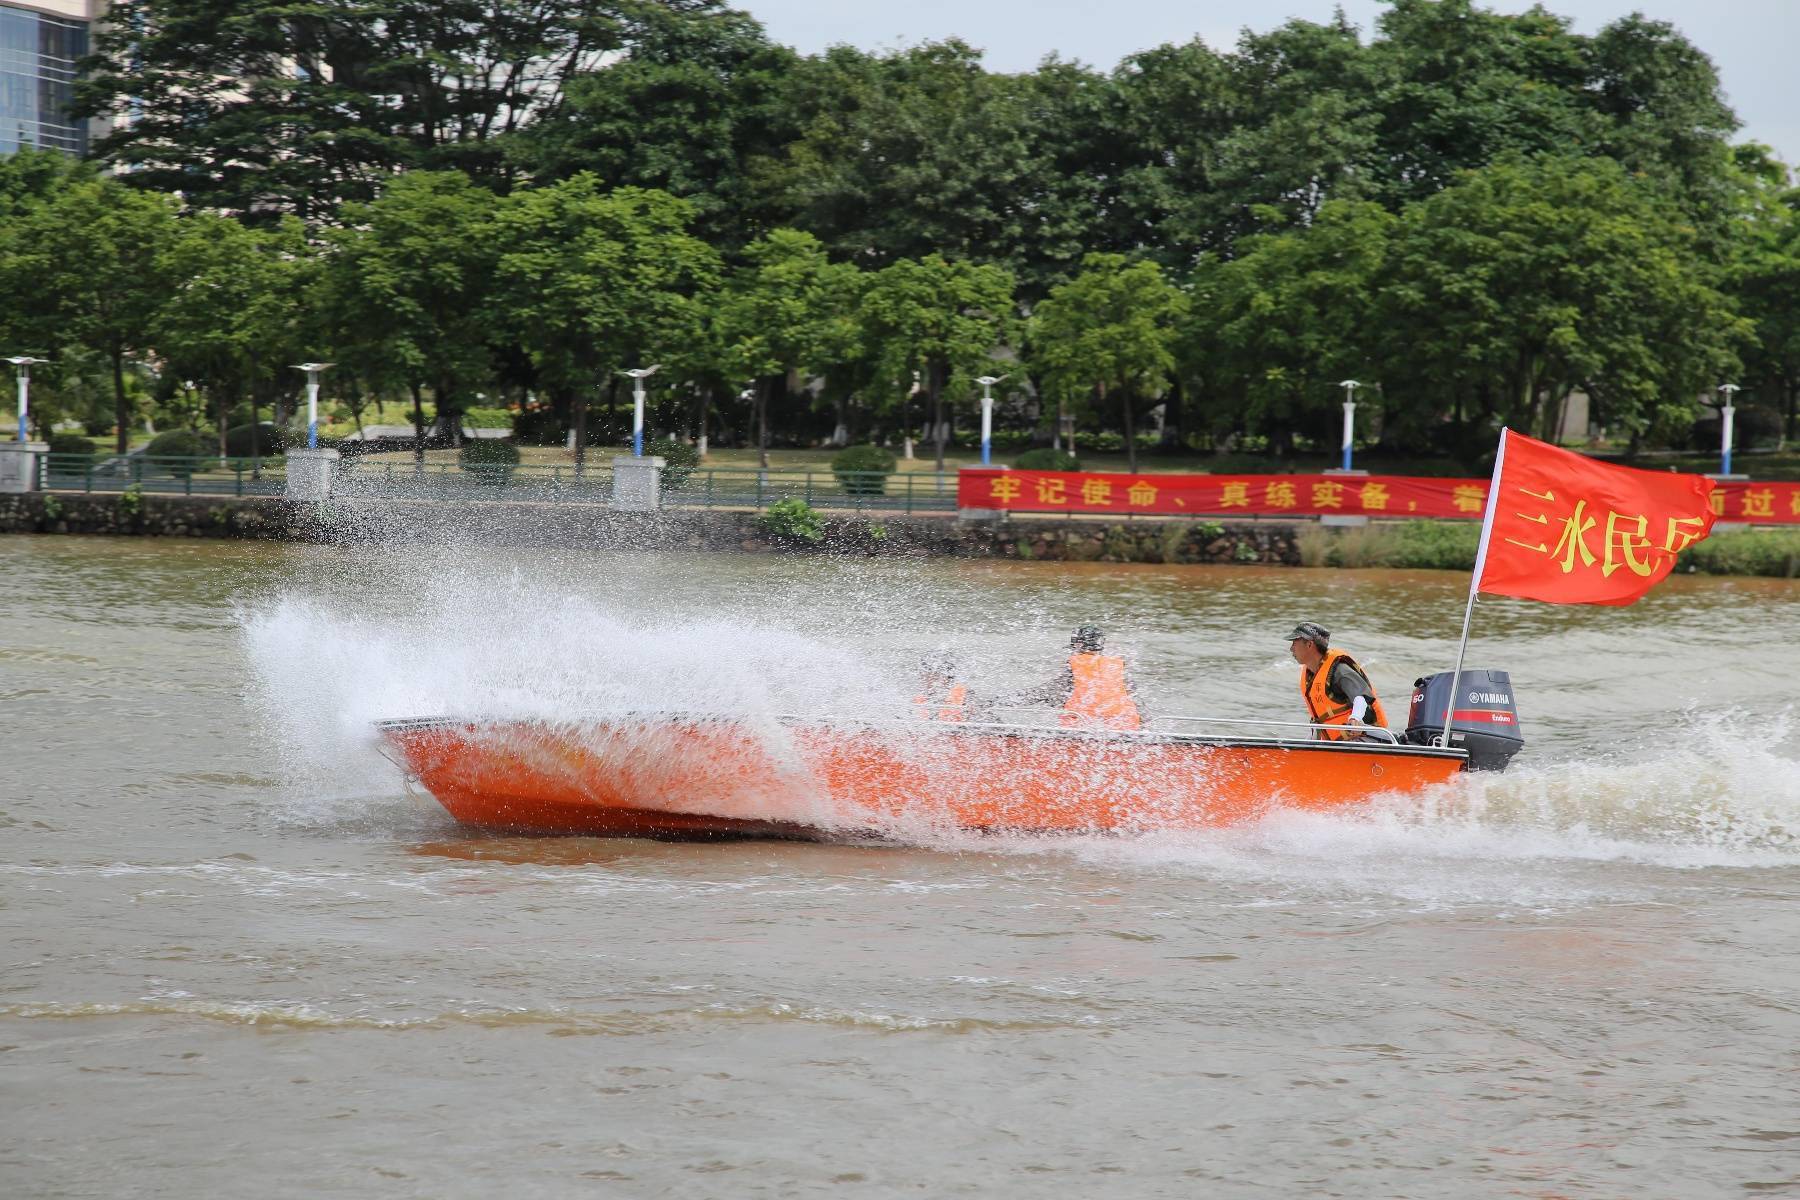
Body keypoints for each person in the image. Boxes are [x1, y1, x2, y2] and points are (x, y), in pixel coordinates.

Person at [1017, 626, 1142, 731]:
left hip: (1083, 732)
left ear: (1078, 645)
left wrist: (1002, 701)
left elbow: (1040, 694)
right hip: (1128, 733)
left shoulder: (1075, 669)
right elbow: (1140, 708)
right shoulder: (1118, 668)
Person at [1286, 621, 1388, 740]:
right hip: (1339, 745)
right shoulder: (1311, 674)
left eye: (1294, 643)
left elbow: (1361, 697)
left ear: (1309, 645)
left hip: (1370, 739)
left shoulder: (1339, 669)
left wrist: (1355, 718)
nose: (1291, 648)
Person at [913, 651, 970, 722]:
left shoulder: (966, 696)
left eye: (935, 675)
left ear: (948, 677)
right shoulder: (917, 699)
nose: (928, 679)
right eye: (924, 675)